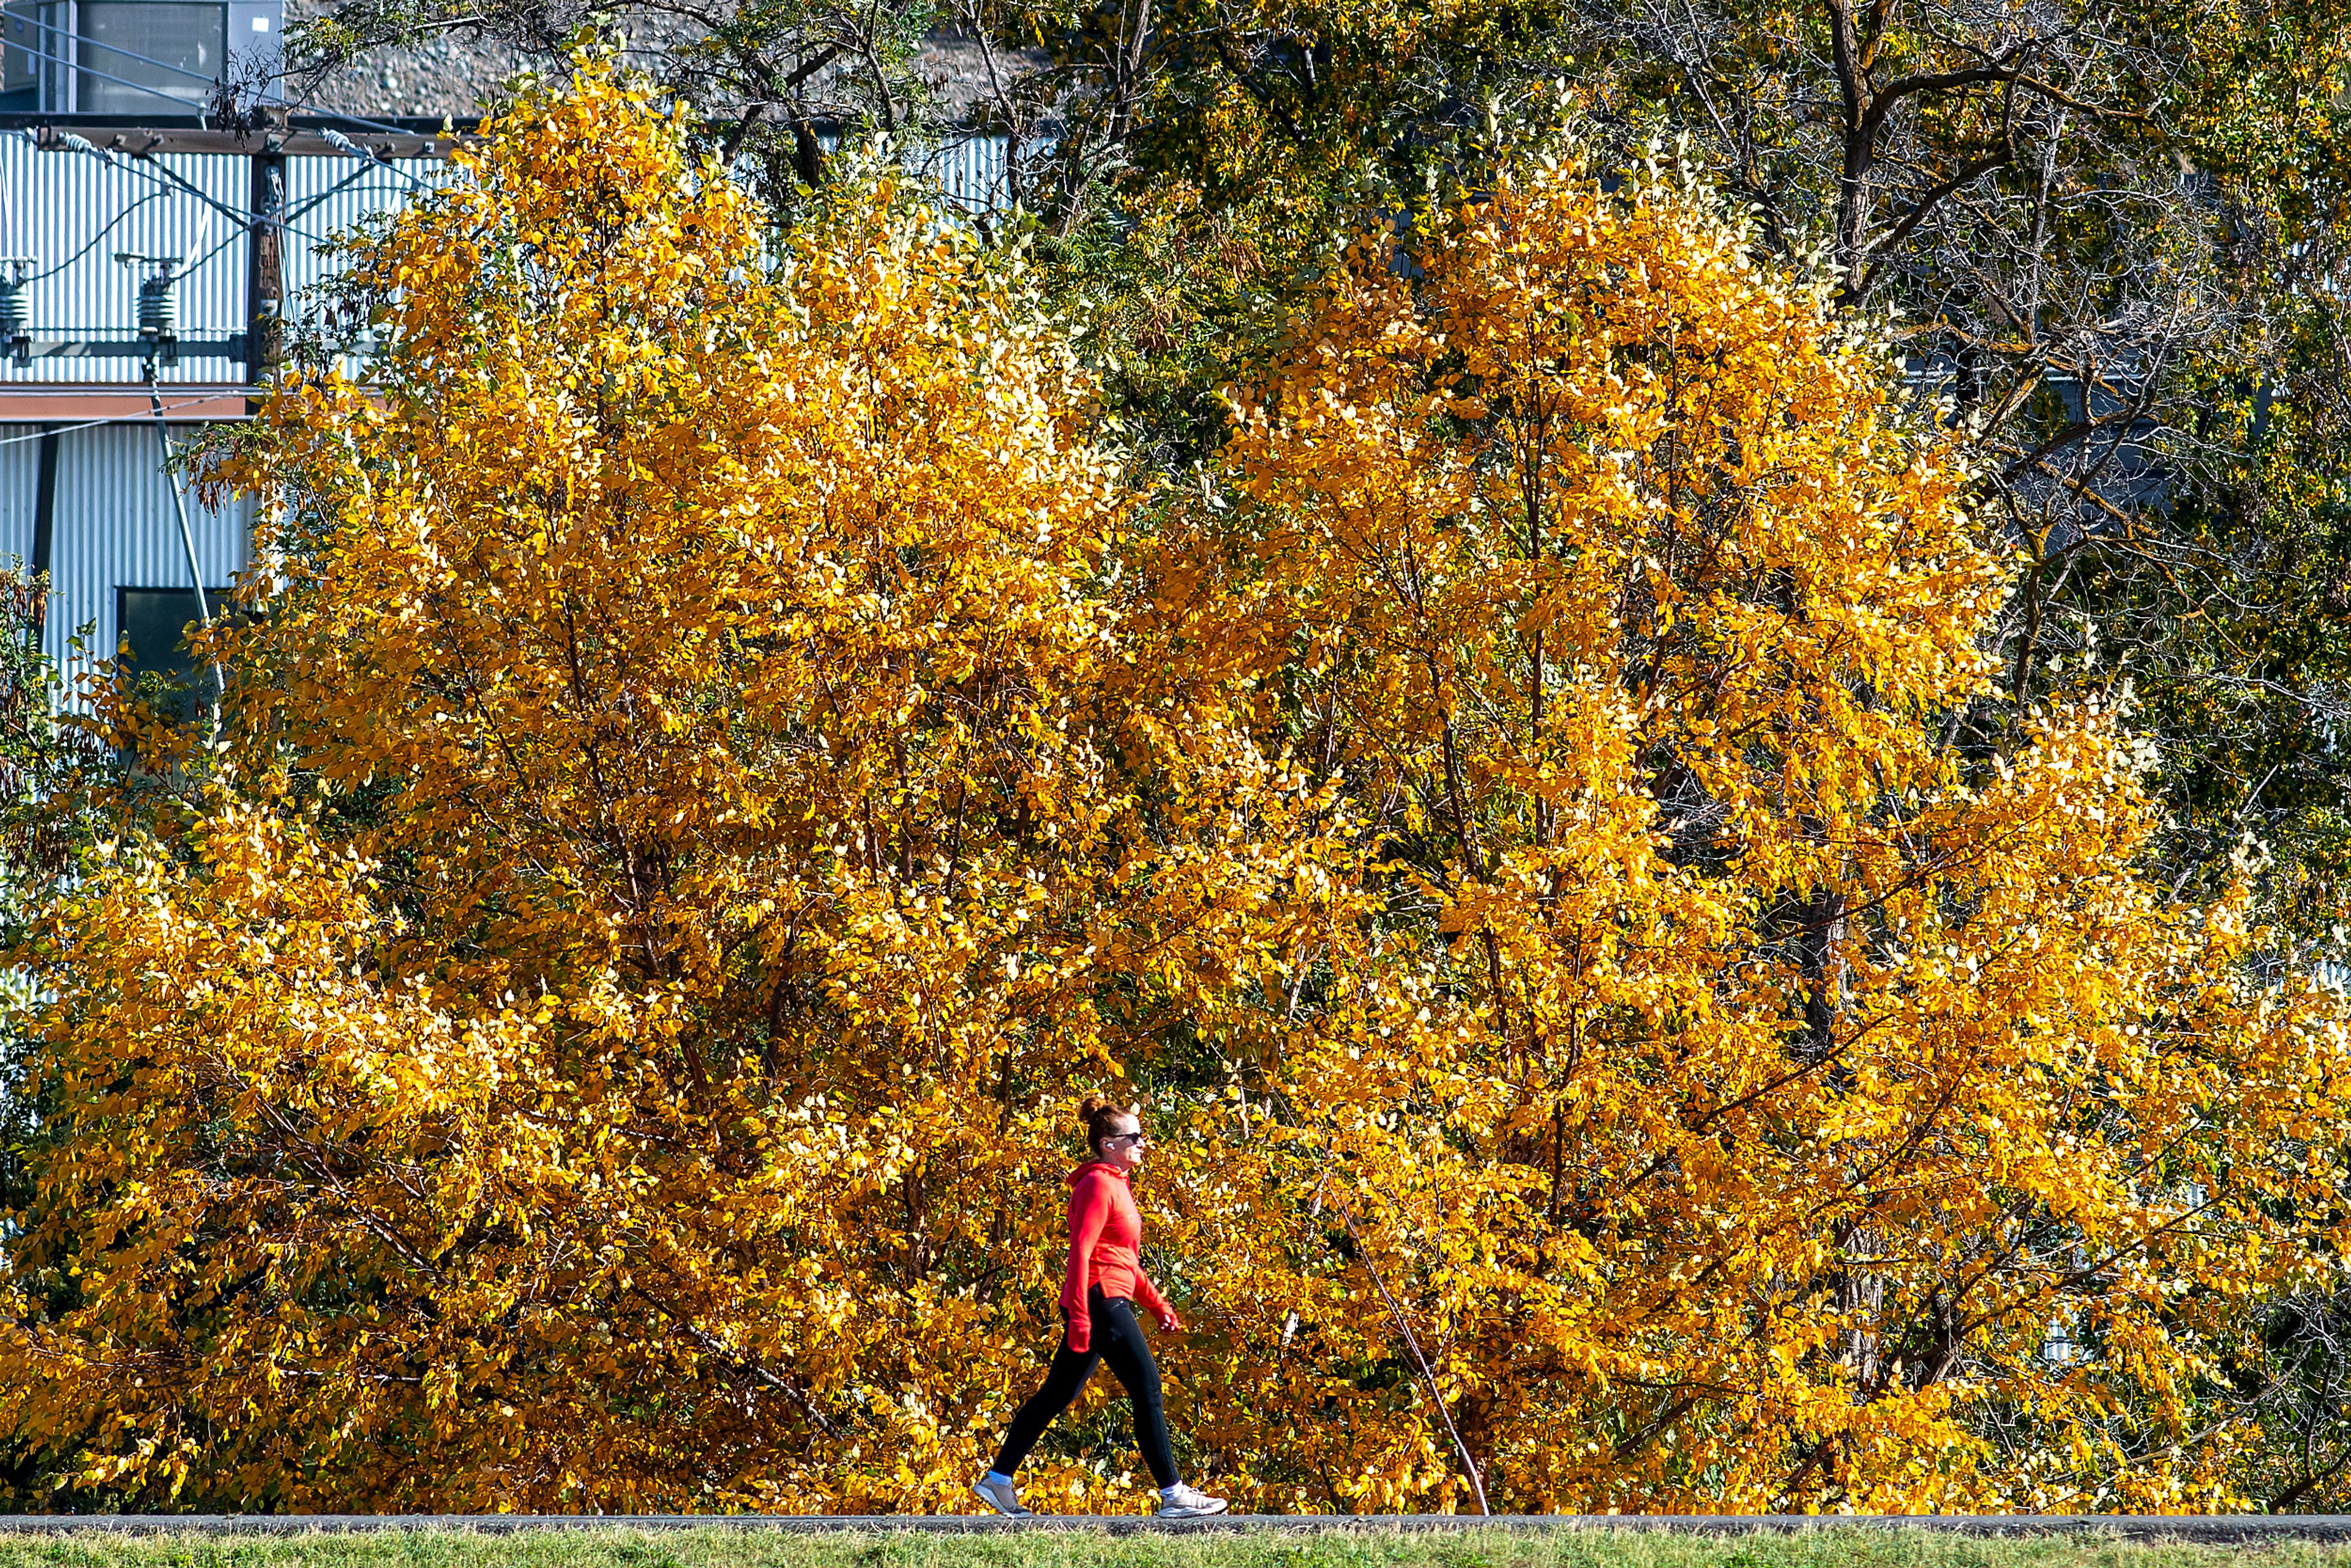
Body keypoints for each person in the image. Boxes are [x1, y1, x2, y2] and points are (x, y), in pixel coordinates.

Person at [973, 1094, 1229, 1519]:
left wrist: (1158, 1302)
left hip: (1107, 1295)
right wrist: (1077, 1314)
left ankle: (998, 1479)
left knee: (1058, 1393)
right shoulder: (1096, 1184)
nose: (1143, 1142)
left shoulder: (1117, 1185)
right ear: (1109, 1143)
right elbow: (1081, 1251)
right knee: (1147, 1387)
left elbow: (1125, 1257)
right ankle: (1174, 1494)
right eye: (1135, 1136)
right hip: (1098, 1301)